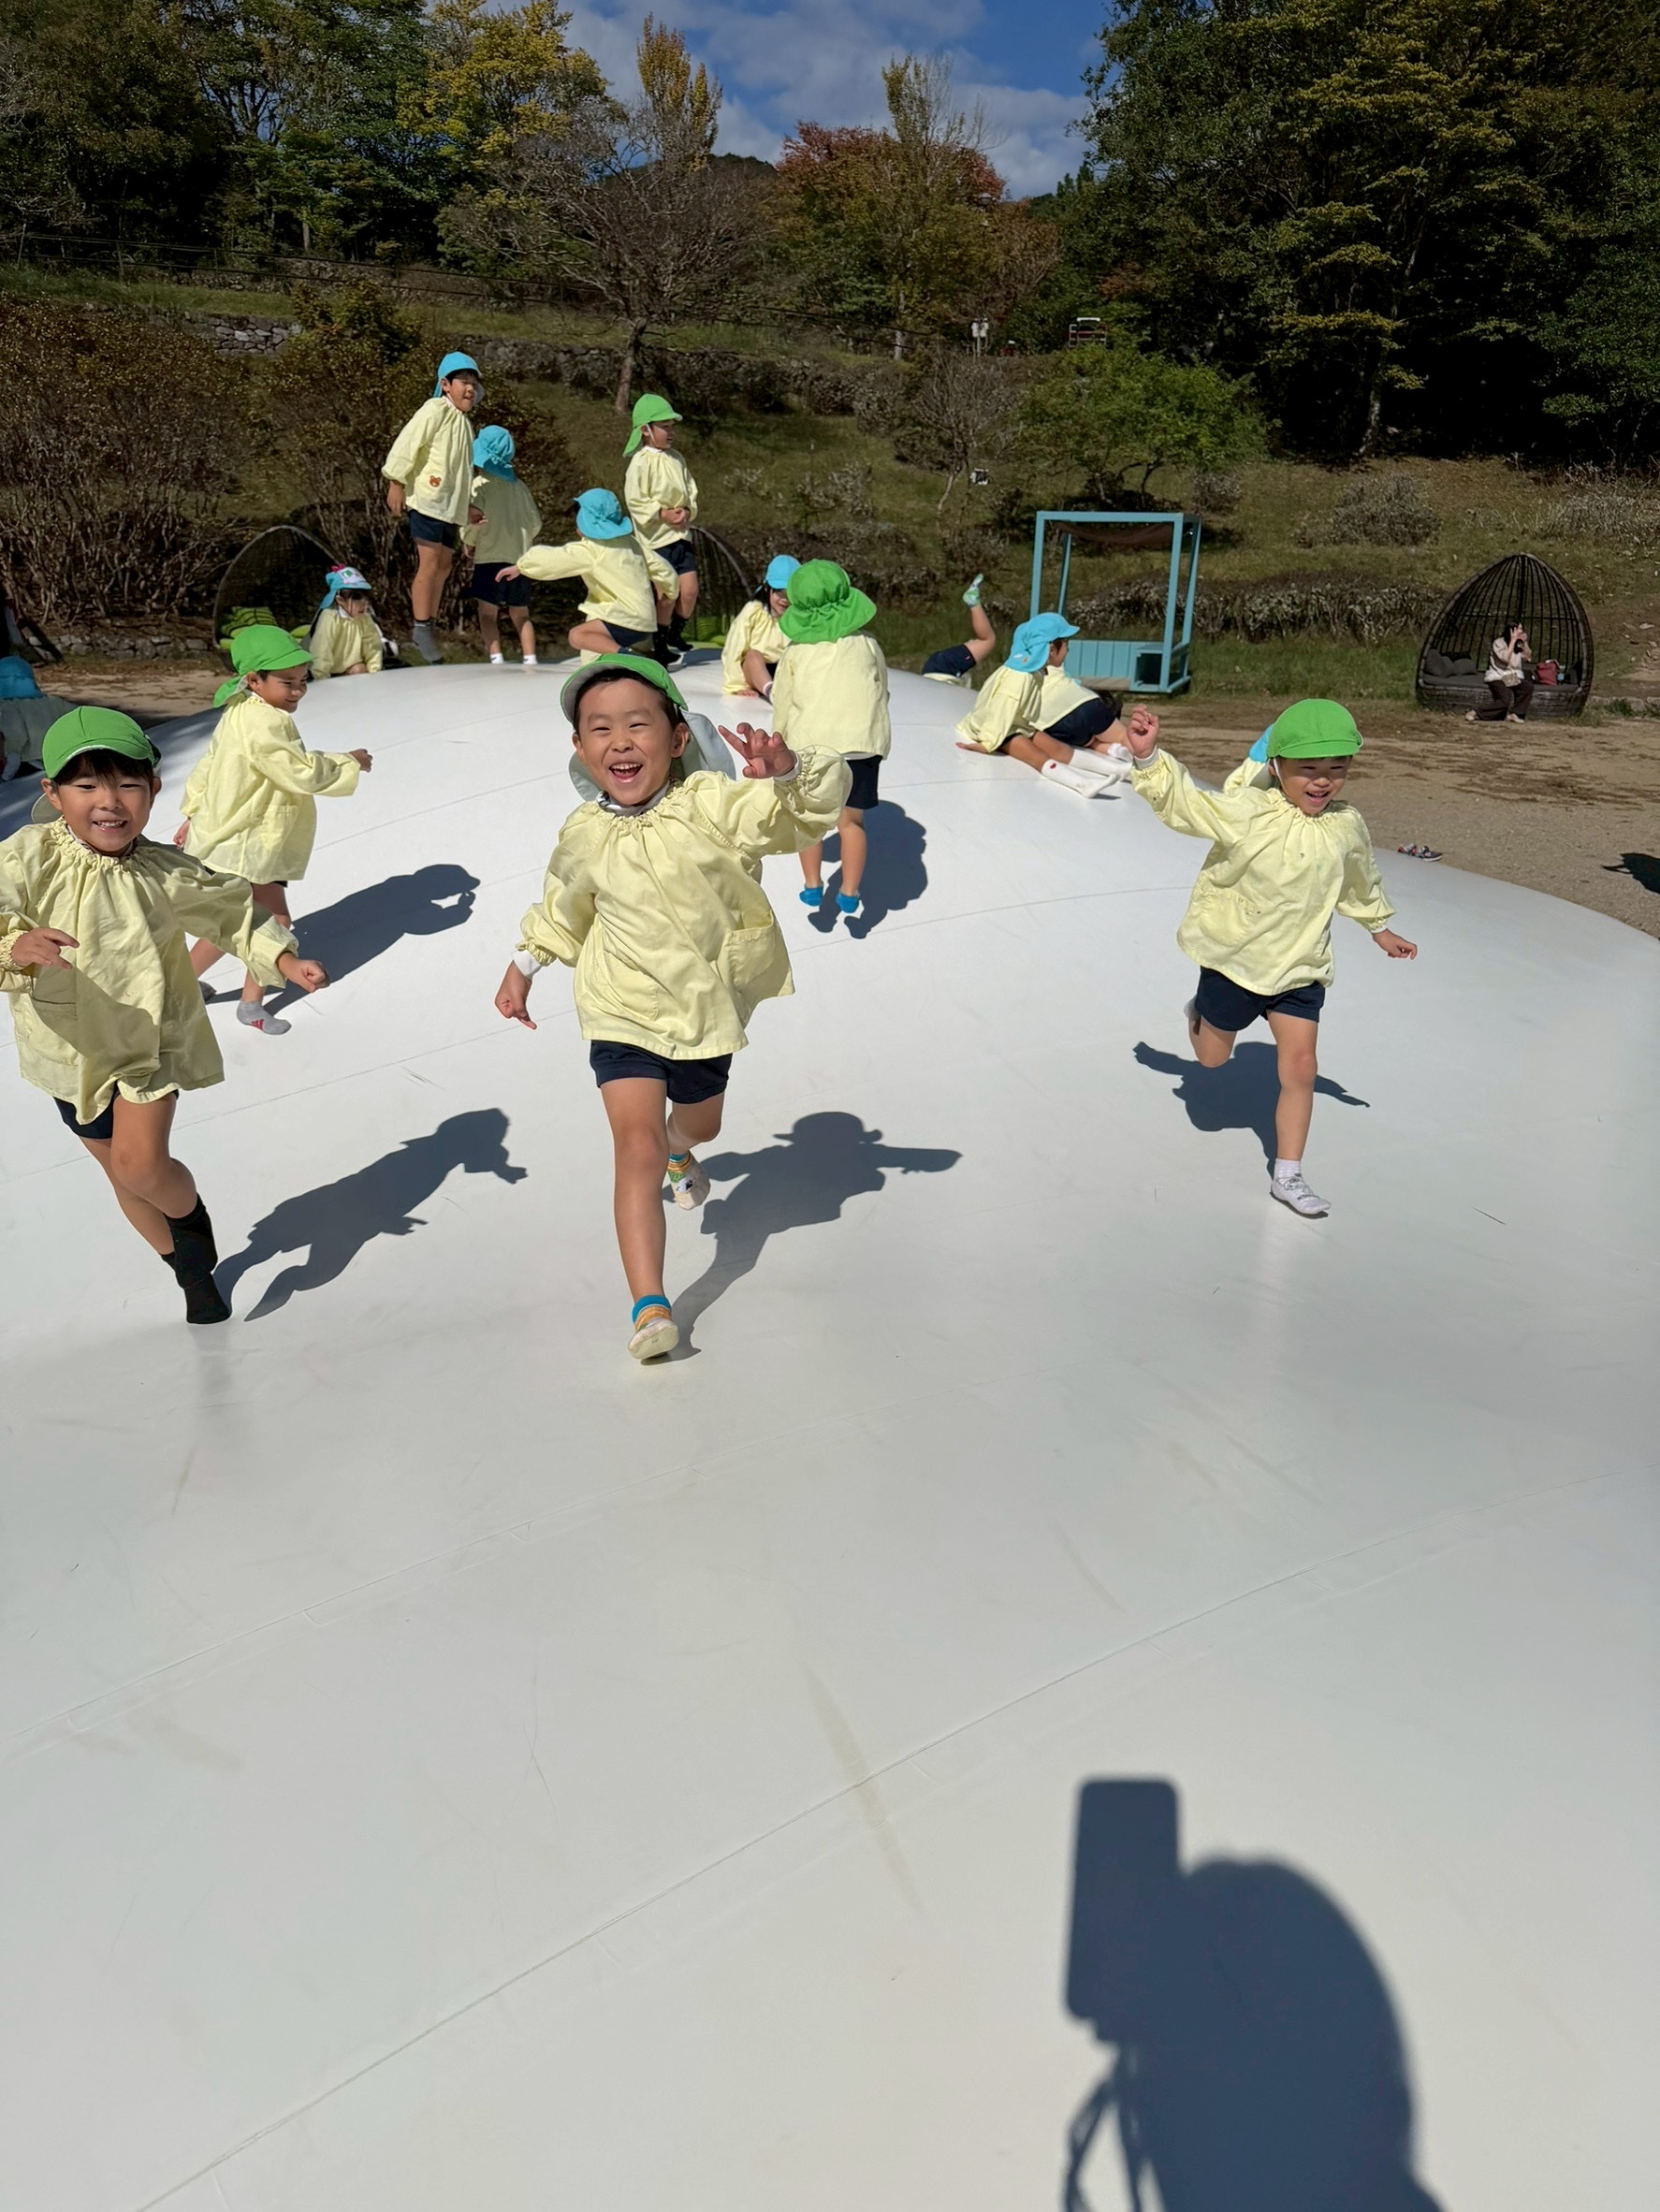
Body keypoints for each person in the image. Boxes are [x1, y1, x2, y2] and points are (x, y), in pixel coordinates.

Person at [493, 655, 848, 1362]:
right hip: (619, 1009)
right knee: (635, 1147)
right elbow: (564, 907)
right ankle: (649, 1305)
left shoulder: (712, 805)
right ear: (580, 748)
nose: (620, 741)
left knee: (696, 1126)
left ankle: (682, 1151)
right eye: (600, 729)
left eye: (638, 724)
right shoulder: (584, 832)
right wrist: (524, 964)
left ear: (678, 738)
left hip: (701, 1011)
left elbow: (797, 819)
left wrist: (787, 774)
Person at [0, 707, 327, 1324]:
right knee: (120, 1176)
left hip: (150, 1039)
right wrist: (12, 945)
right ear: (52, 793)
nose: (109, 802)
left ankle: (190, 1225)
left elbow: (232, 915)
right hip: (67, 1050)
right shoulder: (26, 858)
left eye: (128, 784)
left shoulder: (163, 869)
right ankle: (186, 1269)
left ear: (152, 789)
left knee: (140, 1164)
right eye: (86, 785)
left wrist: (282, 958)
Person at [1124, 695, 1418, 1218]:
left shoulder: (1346, 824)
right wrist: (1149, 758)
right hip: (1237, 962)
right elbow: (1188, 806)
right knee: (1212, 1060)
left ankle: (1289, 1174)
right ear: (1277, 767)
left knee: (1301, 1069)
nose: (1323, 781)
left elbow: (1359, 879)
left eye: (1337, 769)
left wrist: (1379, 927)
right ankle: (1201, 1012)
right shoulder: (1250, 811)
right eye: (1309, 769)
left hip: (1301, 968)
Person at [177, 626, 371, 1036]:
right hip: (250, 843)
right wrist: (349, 761)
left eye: (303, 681)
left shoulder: (239, 710)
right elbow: (300, 772)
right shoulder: (267, 721)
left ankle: (184, 985)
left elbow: (209, 766)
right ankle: (249, 1003)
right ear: (254, 680)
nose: (298, 690)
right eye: (287, 682)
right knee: (265, 920)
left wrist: (193, 813)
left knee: (236, 920)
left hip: (233, 837)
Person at [764, 560, 890, 921]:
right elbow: (882, 691)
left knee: (810, 821)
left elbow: (783, 703)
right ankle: (850, 893)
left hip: (812, 748)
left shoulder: (795, 651)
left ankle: (812, 885)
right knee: (851, 823)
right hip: (861, 746)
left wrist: (778, 747)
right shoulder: (867, 644)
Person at [381, 351, 485, 664]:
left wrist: (466, 505)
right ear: (445, 384)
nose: (470, 389)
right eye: (464, 382)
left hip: (449, 508)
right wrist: (396, 480)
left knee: (444, 565)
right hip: (428, 499)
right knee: (429, 562)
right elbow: (408, 442)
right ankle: (421, 627)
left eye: (474, 384)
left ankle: (429, 621)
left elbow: (461, 472)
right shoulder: (434, 409)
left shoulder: (465, 424)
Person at [954, 615, 1124, 796]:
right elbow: (1001, 709)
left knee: (1060, 749)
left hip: (1014, 724)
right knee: (1038, 757)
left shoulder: (1033, 671)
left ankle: (1117, 769)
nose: (1067, 650)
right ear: (1052, 650)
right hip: (995, 729)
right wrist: (987, 743)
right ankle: (1083, 785)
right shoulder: (1020, 677)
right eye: (1066, 645)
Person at [505, 490, 680, 660]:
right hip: (643, 619)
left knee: (577, 636)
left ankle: (631, 659)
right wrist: (670, 593)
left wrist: (522, 566)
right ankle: (629, 661)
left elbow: (555, 560)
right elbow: (662, 568)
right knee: (592, 650)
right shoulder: (631, 543)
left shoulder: (593, 549)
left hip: (621, 617)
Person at [622, 394, 698, 662]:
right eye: (665, 427)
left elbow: (691, 490)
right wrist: (662, 513)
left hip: (681, 536)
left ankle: (676, 633)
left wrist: (687, 511)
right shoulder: (640, 462)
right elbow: (635, 500)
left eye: (671, 426)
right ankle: (660, 644)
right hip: (655, 542)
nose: (671, 432)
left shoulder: (677, 458)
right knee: (666, 594)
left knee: (690, 590)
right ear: (646, 430)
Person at [462, 424, 542, 668]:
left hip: (489, 557)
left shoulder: (479, 485)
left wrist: (468, 542)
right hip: (519, 561)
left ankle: (496, 658)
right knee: (521, 613)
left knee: (487, 613)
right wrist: (523, 541)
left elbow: (473, 520)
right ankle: (531, 658)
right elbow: (535, 523)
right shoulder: (520, 487)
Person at [721, 555, 798, 697]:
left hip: (783, 669)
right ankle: (771, 692)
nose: (785, 600)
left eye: (790, 594)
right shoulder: (754, 611)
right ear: (767, 588)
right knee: (753, 655)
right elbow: (734, 647)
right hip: (756, 670)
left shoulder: (798, 616)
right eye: (779, 592)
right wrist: (737, 685)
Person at [308, 565, 384, 679]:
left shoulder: (364, 618)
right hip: (330, 672)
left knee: (360, 669)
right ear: (340, 600)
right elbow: (321, 650)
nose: (364, 603)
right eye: (356, 598)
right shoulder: (330, 618)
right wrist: (322, 679)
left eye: (366, 598)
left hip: (350, 669)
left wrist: (375, 672)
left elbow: (372, 645)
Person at [921, 573, 997, 685]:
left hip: (943, 670)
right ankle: (973, 603)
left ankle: (973, 603)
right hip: (939, 669)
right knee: (987, 641)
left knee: (987, 640)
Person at [1467, 620, 1534, 723]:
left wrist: (1525, 643)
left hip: (1510, 677)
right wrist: (1512, 640)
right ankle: (1477, 712)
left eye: (1521, 629)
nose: (1521, 631)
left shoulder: (1518, 644)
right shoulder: (1499, 643)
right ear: (1512, 630)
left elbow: (1528, 658)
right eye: (1519, 629)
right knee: (1505, 699)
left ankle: (1515, 714)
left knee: (1527, 687)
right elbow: (1505, 659)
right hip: (1498, 675)